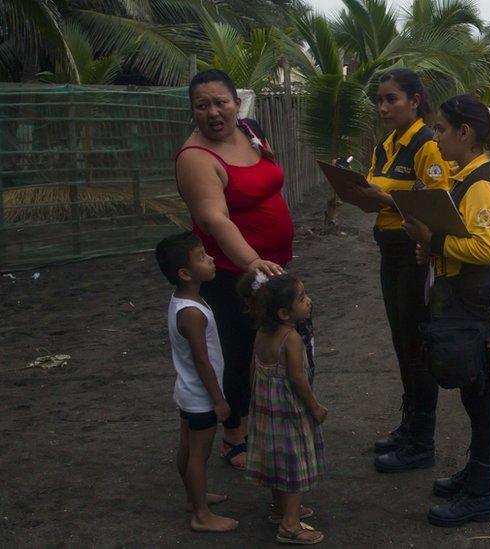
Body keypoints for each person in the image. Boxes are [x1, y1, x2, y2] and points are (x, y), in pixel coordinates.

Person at [176, 69, 293, 471]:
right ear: (192, 110)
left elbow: (269, 176)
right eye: (201, 105)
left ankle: (256, 421)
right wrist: (251, 262)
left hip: (270, 267)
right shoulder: (195, 158)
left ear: (236, 102)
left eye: (220, 101)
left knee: (269, 347)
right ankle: (233, 434)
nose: (213, 112)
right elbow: (214, 219)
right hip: (232, 274)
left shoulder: (250, 128)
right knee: (236, 351)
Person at [402, 94, 490, 527]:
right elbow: (463, 234)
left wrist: (434, 242)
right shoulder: (464, 177)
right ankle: (474, 474)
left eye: (441, 130)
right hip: (463, 300)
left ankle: (481, 493)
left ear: (464, 133)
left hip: (476, 306)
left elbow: (485, 249)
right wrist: (434, 251)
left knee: (481, 395)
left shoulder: (481, 182)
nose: (436, 137)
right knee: (473, 393)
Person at [358, 69, 451, 473]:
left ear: (415, 101)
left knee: (416, 347)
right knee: (401, 343)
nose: (383, 107)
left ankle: (421, 443)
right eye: (379, 100)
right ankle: (409, 426)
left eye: (391, 99)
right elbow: (378, 191)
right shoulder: (386, 145)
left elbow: (435, 204)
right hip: (388, 251)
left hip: (413, 253)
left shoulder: (426, 145)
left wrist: (385, 197)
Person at [154, 232, 238, 533]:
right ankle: (201, 515)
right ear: (185, 273)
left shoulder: (184, 299)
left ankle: (194, 498)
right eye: (202, 257)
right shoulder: (191, 313)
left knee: (187, 449)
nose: (211, 258)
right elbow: (202, 361)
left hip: (188, 392)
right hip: (201, 397)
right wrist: (218, 399)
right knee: (198, 456)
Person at [239, 272, 328, 545]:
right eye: (302, 299)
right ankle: (290, 525)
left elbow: (254, 370)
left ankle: (281, 509)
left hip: (267, 410)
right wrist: (314, 407)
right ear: (284, 312)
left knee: (276, 462)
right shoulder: (291, 338)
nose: (308, 302)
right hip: (290, 413)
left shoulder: (261, 334)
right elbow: (297, 379)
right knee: (294, 467)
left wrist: (257, 404)